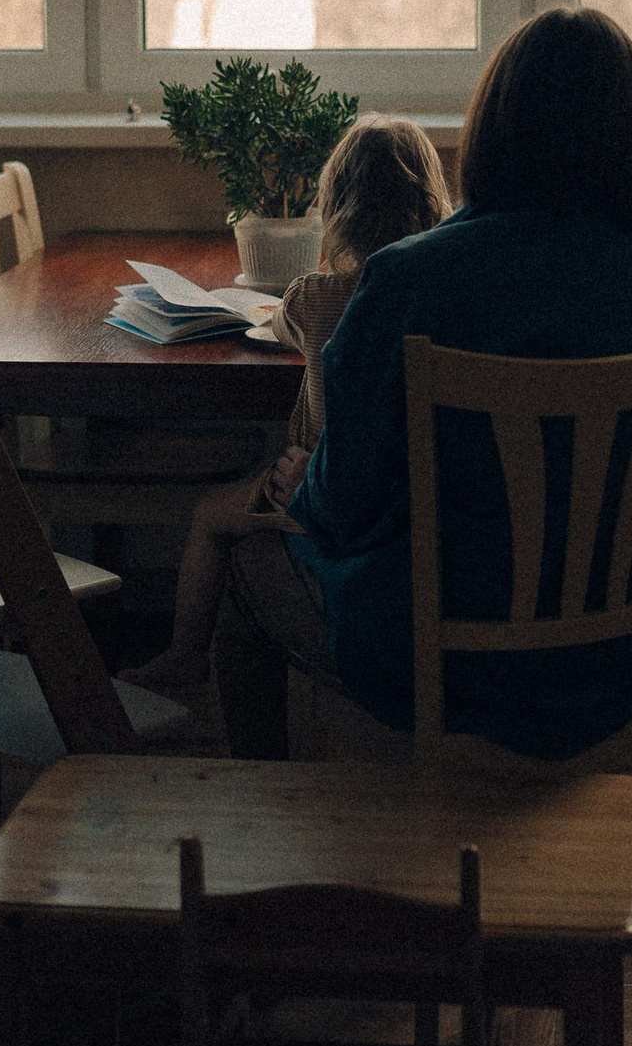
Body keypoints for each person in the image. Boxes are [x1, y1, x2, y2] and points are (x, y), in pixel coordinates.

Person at [214, 7, 632, 762]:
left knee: (247, 572)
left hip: (438, 656)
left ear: (494, 127)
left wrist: (303, 488)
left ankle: (280, 848)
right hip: (631, 648)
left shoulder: (406, 282)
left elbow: (346, 506)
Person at [119, 115, 451, 690]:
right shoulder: (440, 298)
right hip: (415, 520)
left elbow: (282, 328)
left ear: (337, 208)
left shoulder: (315, 298)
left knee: (211, 517)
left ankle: (185, 655)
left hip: (320, 499)